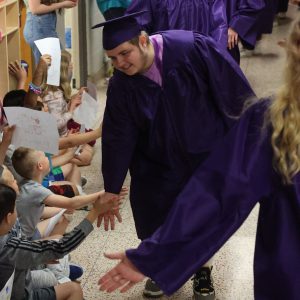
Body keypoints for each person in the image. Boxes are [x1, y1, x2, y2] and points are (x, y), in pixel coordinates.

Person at [98, 16, 300, 300]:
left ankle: (200, 269)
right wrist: (112, 184)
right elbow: (118, 135)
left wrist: (241, 138)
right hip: (157, 160)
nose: (120, 63)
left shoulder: (191, 48)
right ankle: (161, 268)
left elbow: (232, 91)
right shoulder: (122, 84)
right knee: (157, 208)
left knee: (201, 201)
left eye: (124, 53)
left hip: (205, 150)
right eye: (112, 58)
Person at [0, 182, 120, 300]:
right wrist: (95, 212)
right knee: (74, 289)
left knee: (54, 248)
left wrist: (38, 255)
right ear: (8, 217)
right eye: (15, 207)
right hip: (20, 294)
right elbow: (63, 246)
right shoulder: (8, 248)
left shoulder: (7, 236)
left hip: (20, 280)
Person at [125, 0, 228, 49]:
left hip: (202, 60)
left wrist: (216, 55)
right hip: (167, 65)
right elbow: (136, 25)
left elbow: (219, 26)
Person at [23, 0, 77, 65]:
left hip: (43, 26)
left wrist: (67, 3)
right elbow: (35, 9)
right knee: (57, 67)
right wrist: (63, 4)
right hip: (39, 28)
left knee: (57, 66)